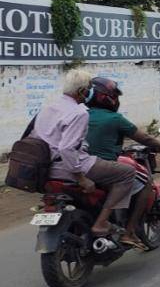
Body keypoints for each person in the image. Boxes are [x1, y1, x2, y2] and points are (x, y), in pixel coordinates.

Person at [31, 69, 137, 245]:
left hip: (46, 168)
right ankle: (101, 223)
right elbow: (66, 148)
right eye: (89, 89)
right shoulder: (79, 113)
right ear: (82, 92)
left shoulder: (48, 108)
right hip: (70, 167)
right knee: (127, 172)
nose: (90, 93)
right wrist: (80, 178)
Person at [84, 77, 160, 249]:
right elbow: (143, 138)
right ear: (107, 98)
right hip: (99, 167)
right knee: (144, 183)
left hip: (73, 168)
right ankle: (129, 232)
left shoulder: (80, 114)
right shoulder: (115, 119)